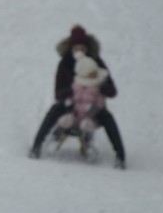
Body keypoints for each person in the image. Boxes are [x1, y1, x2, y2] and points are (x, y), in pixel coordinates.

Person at [29, 25, 126, 169]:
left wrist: (104, 88)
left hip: (92, 107)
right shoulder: (65, 64)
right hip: (71, 105)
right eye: (76, 48)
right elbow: (58, 92)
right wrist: (67, 93)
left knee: (107, 117)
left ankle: (120, 156)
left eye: (82, 48)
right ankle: (36, 146)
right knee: (55, 110)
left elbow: (112, 91)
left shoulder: (96, 62)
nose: (79, 51)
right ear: (71, 49)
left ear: (87, 48)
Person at [54, 53, 109, 144]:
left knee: (86, 125)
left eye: (94, 72)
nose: (94, 75)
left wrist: (94, 108)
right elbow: (71, 96)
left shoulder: (98, 87)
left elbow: (101, 102)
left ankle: (88, 143)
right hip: (74, 114)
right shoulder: (76, 85)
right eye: (91, 73)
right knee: (65, 120)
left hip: (89, 116)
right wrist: (69, 101)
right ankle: (55, 137)